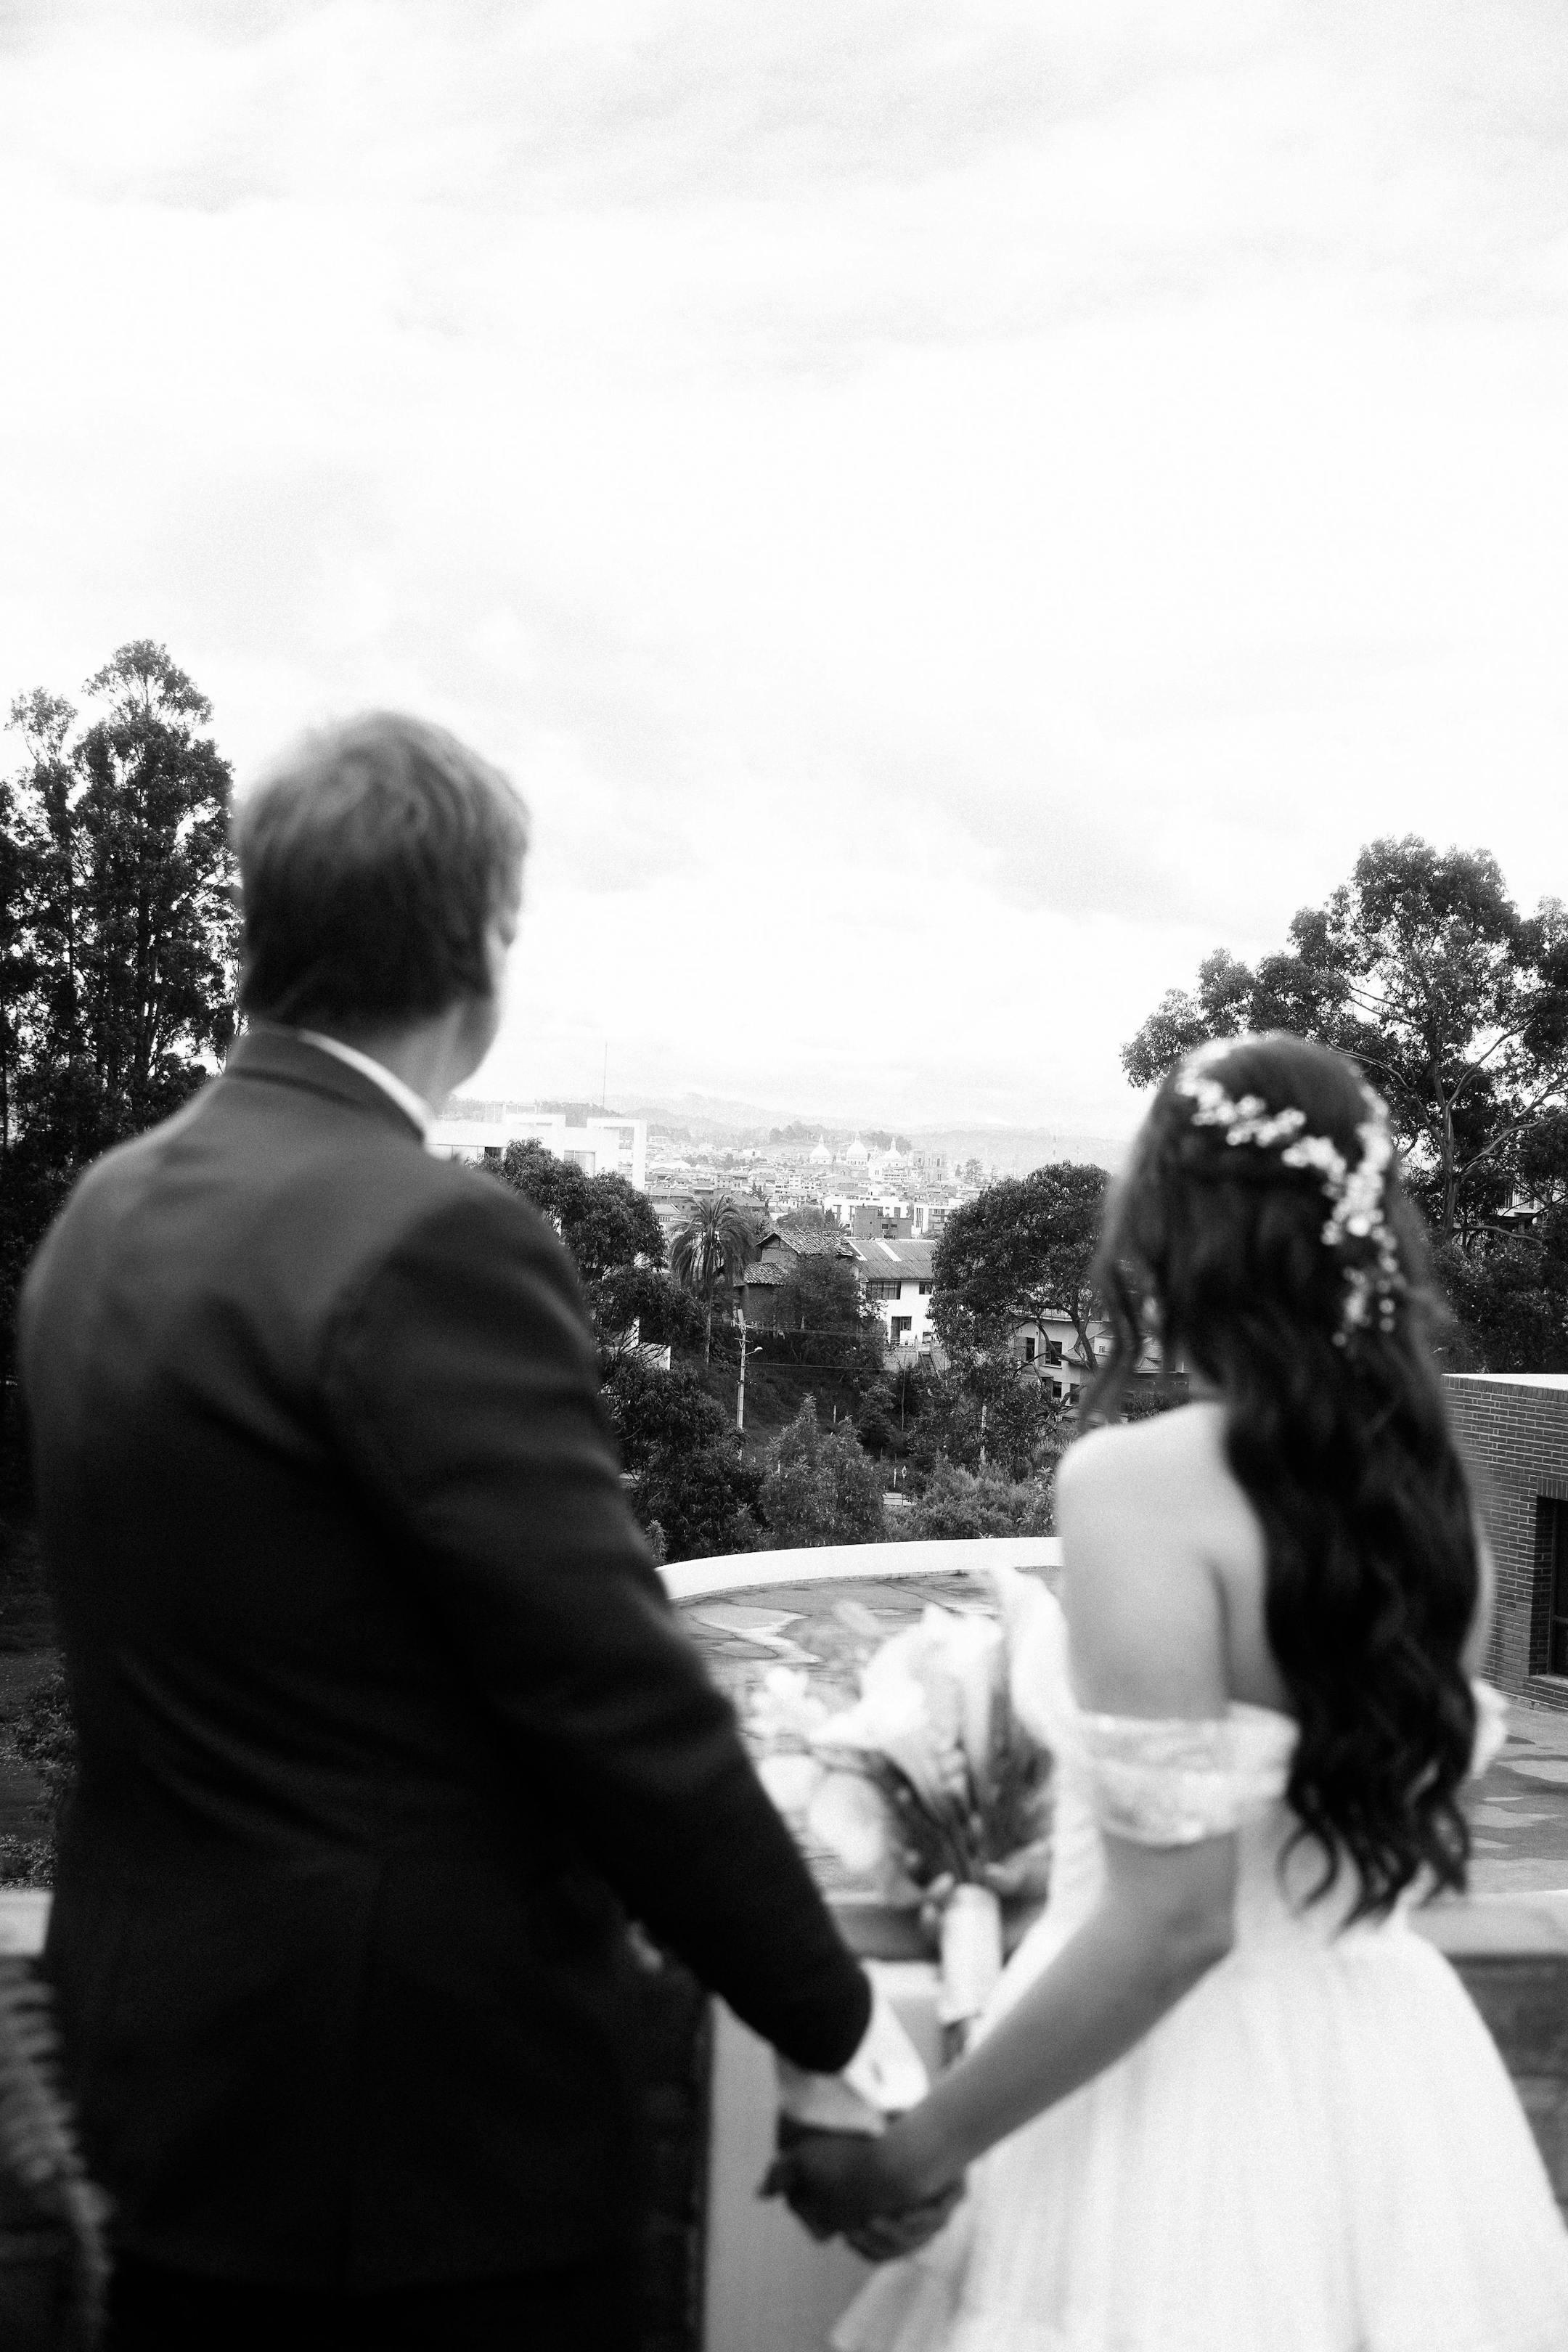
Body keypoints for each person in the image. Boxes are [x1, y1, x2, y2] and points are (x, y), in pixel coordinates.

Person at [17, 712, 923, 2351]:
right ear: (482, 953)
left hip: (150, 2070)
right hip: (413, 2140)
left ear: (266, 926)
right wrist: (835, 2028)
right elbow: (612, 1698)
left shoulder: (107, 1210)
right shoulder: (433, 1239)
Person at [767, 1032, 1568, 2351]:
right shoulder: (1438, 1512)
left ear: (1181, 1233)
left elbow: (1175, 1922)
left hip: (1174, 2109)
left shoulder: (1139, 1485)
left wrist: (910, 2160)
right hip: (1396, 2097)